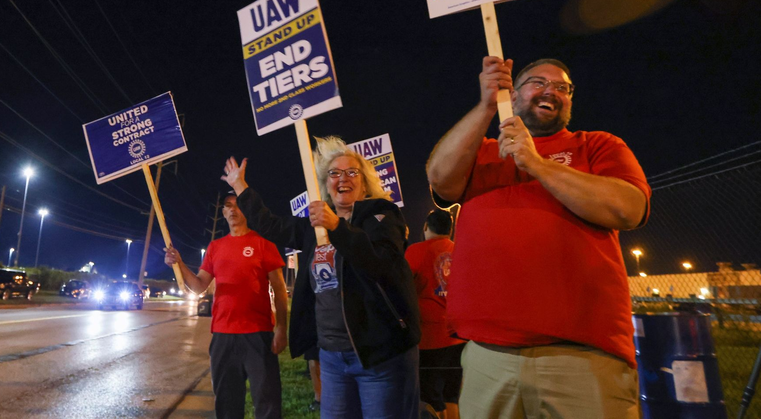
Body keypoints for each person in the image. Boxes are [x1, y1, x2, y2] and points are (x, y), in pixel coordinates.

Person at [426, 57, 651, 419]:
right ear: (512, 95)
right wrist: (485, 105)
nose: (551, 91)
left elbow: (628, 208)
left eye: (562, 87)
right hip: (488, 356)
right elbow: (440, 178)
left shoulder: (597, 145)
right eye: (537, 82)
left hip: (581, 357)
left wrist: (537, 163)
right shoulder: (481, 152)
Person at [222, 135, 421, 419]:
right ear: (324, 184)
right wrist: (240, 186)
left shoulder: (383, 216)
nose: (343, 178)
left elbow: (381, 264)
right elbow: (271, 225)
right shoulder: (314, 229)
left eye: (352, 172)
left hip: (379, 356)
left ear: (364, 183)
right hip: (332, 358)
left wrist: (337, 226)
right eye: (334, 173)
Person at [164, 192, 288, 419]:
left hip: (258, 335)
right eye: (228, 206)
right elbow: (200, 286)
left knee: (267, 400)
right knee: (227, 402)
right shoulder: (215, 247)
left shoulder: (264, 245)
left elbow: (280, 290)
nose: (232, 210)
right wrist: (179, 264)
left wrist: (281, 328)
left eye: (238, 205)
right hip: (223, 336)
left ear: (247, 210)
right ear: (222, 212)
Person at [405, 209, 464, 419]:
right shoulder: (461, 251)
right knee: (451, 395)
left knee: (430, 398)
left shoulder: (415, 251)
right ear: (450, 230)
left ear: (425, 227)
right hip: (459, 338)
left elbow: (403, 287)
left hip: (429, 338)